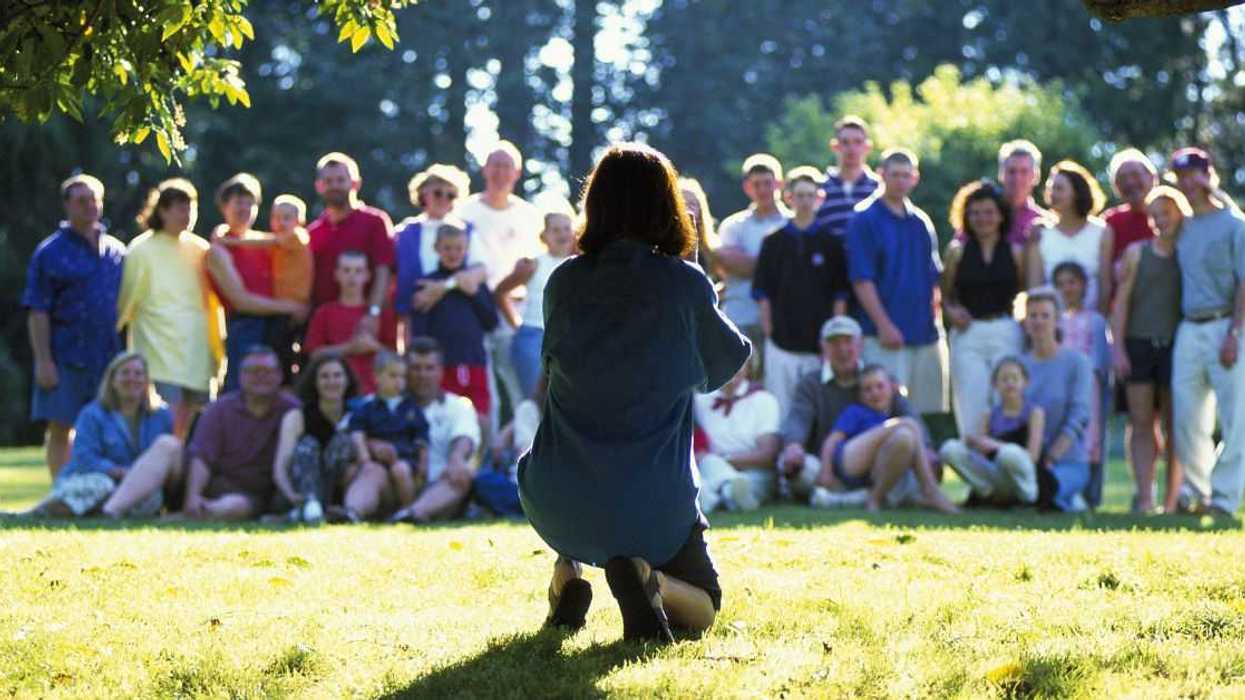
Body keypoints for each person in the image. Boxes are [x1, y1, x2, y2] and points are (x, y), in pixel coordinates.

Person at [518, 143, 751, 643]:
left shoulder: (561, 283)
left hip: (557, 496)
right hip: (652, 506)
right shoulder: (683, 284)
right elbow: (722, 366)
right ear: (668, 207)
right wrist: (692, 273)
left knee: (577, 450)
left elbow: (558, 369)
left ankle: (568, 578)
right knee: (706, 606)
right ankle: (649, 578)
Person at [23, 173, 125, 477]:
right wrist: (43, 361)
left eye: (95, 199)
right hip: (64, 355)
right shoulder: (49, 252)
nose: (90, 206)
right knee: (61, 426)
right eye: (82, 200)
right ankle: (62, 492)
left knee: (107, 427)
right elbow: (37, 310)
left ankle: (101, 494)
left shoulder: (117, 252)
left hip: (109, 358)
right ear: (67, 205)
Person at [1168, 147, 1245, 516]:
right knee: (1186, 418)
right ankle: (1194, 493)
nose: (1187, 182)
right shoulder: (1181, 226)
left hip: (1226, 324)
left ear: (1207, 175)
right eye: (1181, 176)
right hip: (1189, 327)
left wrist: (1235, 332)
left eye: (1193, 174)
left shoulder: (1235, 225)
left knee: (1234, 417)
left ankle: (1225, 499)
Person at [117, 178, 224, 438]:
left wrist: (218, 348)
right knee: (165, 422)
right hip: (158, 350)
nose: (186, 215)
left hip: (197, 350)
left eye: (190, 208)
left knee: (199, 422)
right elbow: (126, 300)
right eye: (179, 208)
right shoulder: (141, 248)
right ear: (162, 210)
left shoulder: (201, 248)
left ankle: (188, 477)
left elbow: (214, 301)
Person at [846, 148, 948, 414]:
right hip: (883, 336)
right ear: (881, 175)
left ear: (915, 178)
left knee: (928, 413)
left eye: (906, 175)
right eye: (895, 175)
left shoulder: (921, 222)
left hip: (924, 334)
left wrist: (935, 323)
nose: (901, 181)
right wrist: (884, 325)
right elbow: (861, 279)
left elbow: (933, 279)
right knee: (887, 414)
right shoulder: (864, 218)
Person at [22, 352, 181, 519]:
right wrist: (117, 472)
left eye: (138, 373)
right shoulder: (92, 414)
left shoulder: (161, 416)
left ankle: (98, 513)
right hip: (94, 478)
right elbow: (84, 457)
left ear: (147, 381)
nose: (132, 378)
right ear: (113, 380)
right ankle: (41, 512)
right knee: (101, 486)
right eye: (125, 373)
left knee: (152, 498)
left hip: (134, 486)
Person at [455, 142, 543, 427]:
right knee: (484, 387)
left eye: (507, 166)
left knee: (521, 388)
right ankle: (484, 453)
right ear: (484, 169)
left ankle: (521, 456)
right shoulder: (464, 212)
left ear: (517, 173)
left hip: (514, 311)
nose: (500, 172)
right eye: (495, 165)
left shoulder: (530, 215)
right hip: (474, 308)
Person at [752, 166, 850, 415]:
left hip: (819, 342)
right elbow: (763, 291)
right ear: (789, 198)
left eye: (810, 195)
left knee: (818, 407)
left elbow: (840, 292)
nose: (805, 201)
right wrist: (769, 328)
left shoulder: (831, 243)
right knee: (779, 406)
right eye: (800, 195)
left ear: (819, 198)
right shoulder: (773, 242)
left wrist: (834, 332)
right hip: (781, 340)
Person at [1112, 186, 1186, 513]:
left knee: (1174, 427)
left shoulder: (1188, 252)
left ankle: (1171, 502)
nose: (1159, 219)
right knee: (1141, 423)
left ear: (1180, 213)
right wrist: (1118, 348)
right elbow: (1121, 304)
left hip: (1176, 347)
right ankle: (1145, 498)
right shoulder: (1136, 252)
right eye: (1154, 214)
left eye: (1166, 212)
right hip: (1138, 345)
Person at [809, 364, 958, 513]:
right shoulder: (855, 412)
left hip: (873, 474)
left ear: (892, 388)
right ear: (860, 395)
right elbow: (831, 440)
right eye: (867, 389)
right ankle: (930, 490)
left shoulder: (890, 416)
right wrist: (825, 471)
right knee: (908, 424)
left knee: (905, 437)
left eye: (880, 386)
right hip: (849, 460)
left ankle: (876, 498)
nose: (875, 393)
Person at [206, 173, 308, 392]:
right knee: (243, 391)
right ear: (224, 207)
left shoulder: (264, 241)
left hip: (278, 327)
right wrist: (291, 306)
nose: (244, 209)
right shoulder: (218, 249)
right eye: (237, 203)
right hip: (246, 325)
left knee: (279, 389)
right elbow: (242, 301)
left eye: (249, 203)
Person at [941, 179, 1025, 437]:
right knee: (971, 405)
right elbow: (944, 297)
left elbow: (1027, 293)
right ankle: (974, 466)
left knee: (1007, 402)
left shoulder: (1015, 253)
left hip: (1007, 330)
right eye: (975, 213)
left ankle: (1005, 464)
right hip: (968, 336)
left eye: (988, 212)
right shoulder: (957, 252)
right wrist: (952, 312)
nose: (982, 218)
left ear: (1001, 215)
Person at [181, 345, 299, 520]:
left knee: (235, 506)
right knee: (166, 446)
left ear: (280, 375)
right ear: (241, 376)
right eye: (253, 371)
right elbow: (202, 456)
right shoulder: (219, 409)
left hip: (257, 496)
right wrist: (193, 496)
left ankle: (201, 512)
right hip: (217, 484)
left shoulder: (293, 410)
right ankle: (126, 507)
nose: (261, 377)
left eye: (267, 371)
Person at [272, 353, 384, 523]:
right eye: (324, 376)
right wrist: (291, 495)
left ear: (347, 380)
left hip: (341, 490)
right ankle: (307, 507)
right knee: (308, 445)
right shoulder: (296, 417)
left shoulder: (359, 414)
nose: (332, 382)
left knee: (344, 443)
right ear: (315, 382)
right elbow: (281, 466)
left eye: (337, 375)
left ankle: (339, 511)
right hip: (299, 490)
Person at [407, 225, 499, 420]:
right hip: (441, 367)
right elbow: (419, 331)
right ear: (436, 248)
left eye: (459, 248)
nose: (453, 253)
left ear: (466, 249)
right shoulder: (426, 285)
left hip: (474, 362)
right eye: (447, 248)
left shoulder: (476, 285)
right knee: (441, 417)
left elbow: (492, 322)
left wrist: (473, 294)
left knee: (480, 418)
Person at [388, 338, 482, 523]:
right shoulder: (389, 404)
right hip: (399, 481)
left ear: (440, 371)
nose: (422, 375)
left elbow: (465, 437)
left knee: (464, 472)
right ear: (406, 370)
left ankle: (412, 513)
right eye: (416, 368)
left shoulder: (458, 405)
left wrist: (457, 459)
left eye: (429, 368)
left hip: (441, 484)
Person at [307, 152, 395, 342]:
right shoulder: (313, 232)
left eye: (341, 180)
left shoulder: (375, 222)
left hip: (366, 325)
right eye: (328, 181)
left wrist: (373, 312)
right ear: (319, 186)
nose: (335, 186)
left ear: (355, 183)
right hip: (325, 328)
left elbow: (384, 270)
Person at [1019, 287, 1093, 512]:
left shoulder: (1077, 363)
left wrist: (1051, 457)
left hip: (1067, 462)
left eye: (1045, 315)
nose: (1039, 322)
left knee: (1046, 488)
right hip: (1025, 462)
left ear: (1057, 320)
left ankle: (1061, 497)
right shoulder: (1017, 365)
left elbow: (1080, 416)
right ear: (1024, 321)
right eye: (1033, 316)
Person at [939, 357, 1045, 506]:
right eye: (1004, 379)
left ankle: (1025, 498)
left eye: (1015, 378)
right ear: (995, 384)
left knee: (1009, 454)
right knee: (950, 448)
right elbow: (982, 454)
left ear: (1025, 382)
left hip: (1022, 474)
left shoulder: (1034, 413)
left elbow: (1032, 456)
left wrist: (996, 446)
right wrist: (974, 442)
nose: (1010, 383)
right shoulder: (989, 415)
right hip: (996, 473)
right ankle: (989, 493)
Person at [716, 154, 790, 366]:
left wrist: (748, 264)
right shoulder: (732, 225)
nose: (763, 190)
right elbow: (727, 264)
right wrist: (779, 265)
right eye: (757, 184)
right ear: (747, 187)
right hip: (739, 317)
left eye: (768, 183)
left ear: (779, 183)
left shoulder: (792, 224)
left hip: (781, 322)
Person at [495, 210, 577, 400]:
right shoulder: (533, 265)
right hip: (534, 337)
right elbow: (500, 291)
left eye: (566, 228)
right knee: (535, 401)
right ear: (544, 236)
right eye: (555, 230)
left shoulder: (582, 263)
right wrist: (516, 324)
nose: (562, 234)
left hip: (569, 338)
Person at [394, 163, 488, 325]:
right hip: (417, 318)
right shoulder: (404, 232)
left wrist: (443, 287)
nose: (444, 199)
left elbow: (481, 271)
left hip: (457, 317)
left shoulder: (467, 230)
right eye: (438, 193)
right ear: (423, 193)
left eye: (450, 195)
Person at [1053, 261, 1112, 509]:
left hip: (1089, 389)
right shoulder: (1052, 319)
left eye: (1072, 282)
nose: (1067, 289)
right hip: (1058, 386)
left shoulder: (1096, 321)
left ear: (1084, 286)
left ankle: (1090, 494)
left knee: (1091, 438)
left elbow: (1101, 361)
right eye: (1061, 284)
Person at [304, 250, 398, 395]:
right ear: (337, 274)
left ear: (367, 275)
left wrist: (374, 347)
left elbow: (396, 358)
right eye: (346, 270)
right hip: (338, 394)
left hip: (375, 394)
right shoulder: (324, 312)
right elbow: (314, 355)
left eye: (358, 271)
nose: (352, 276)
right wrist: (349, 348)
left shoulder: (381, 314)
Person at [1026, 160, 1112, 314]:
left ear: (1077, 193)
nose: (1052, 194)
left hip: (1091, 325)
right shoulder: (1040, 234)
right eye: (1050, 188)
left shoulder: (1102, 232)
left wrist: (1098, 322)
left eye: (1059, 189)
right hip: (1051, 329)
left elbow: (1105, 287)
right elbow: (1035, 288)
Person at [692, 365, 781, 514]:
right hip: (708, 469)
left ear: (748, 367)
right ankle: (728, 491)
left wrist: (723, 460)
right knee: (708, 469)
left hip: (752, 472)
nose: (731, 367)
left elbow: (767, 455)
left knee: (743, 483)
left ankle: (715, 497)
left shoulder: (764, 400)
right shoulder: (698, 401)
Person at [349, 351, 429, 515]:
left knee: (400, 470)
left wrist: (423, 465)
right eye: (393, 376)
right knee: (367, 472)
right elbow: (357, 433)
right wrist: (364, 456)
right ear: (377, 377)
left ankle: (407, 511)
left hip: (406, 462)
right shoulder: (368, 408)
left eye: (402, 377)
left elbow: (422, 438)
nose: (399, 382)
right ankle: (354, 511)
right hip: (378, 463)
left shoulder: (411, 408)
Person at [817, 115, 880, 236]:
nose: (852, 148)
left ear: (867, 147)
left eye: (858, 142)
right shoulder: (819, 188)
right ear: (835, 146)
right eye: (845, 142)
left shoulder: (879, 188)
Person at [1103, 149, 1158, 271]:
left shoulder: (1169, 214)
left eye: (1135, 175)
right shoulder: (1111, 221)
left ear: (1151, 177)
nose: (1130, 182)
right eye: (1122, 178)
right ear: (1116, 187)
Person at [996, 140, 1051, 245]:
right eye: (1012, 171)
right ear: (1001, 174)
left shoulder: (1046, 222)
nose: (1017, 178)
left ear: (1036, 176)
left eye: (1024, 171)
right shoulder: (984, 215)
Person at [678, 177, 719, 276]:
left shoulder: (711, 248)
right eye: (682, 204)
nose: (687, 209)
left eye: (692, 204)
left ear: (701, 210)